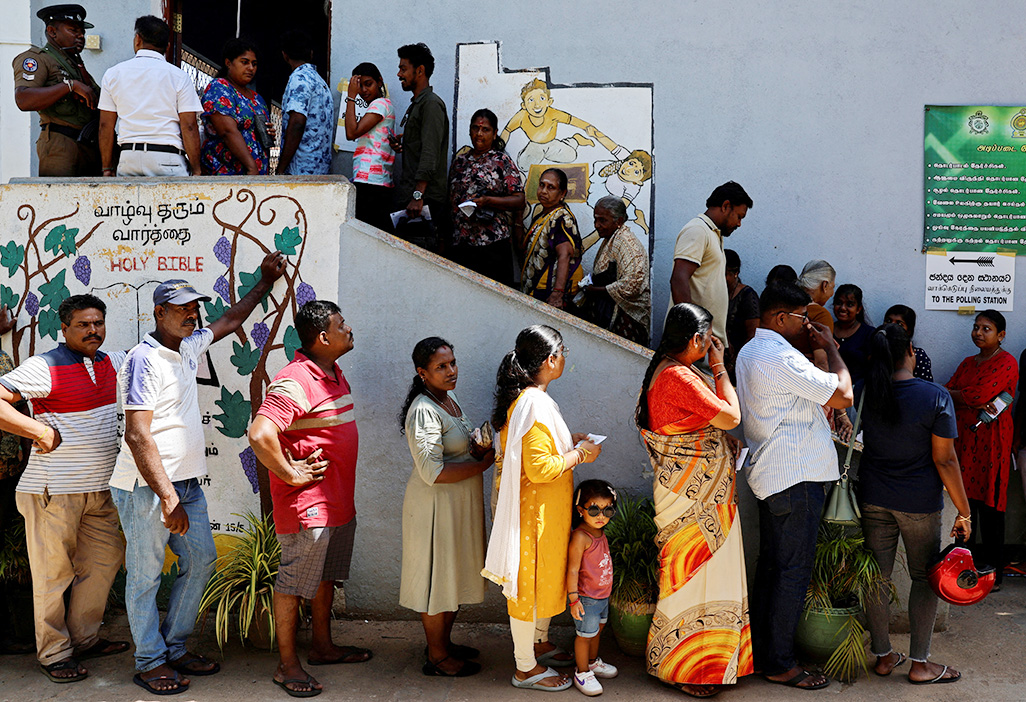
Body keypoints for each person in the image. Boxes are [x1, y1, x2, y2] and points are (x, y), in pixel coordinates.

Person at [108, 253, 286, 696]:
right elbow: (137, 434)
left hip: (183, 483)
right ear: (158, 313)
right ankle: (149, 661)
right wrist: (166, 495)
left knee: (202, 559)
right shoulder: (143, 360)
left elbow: (229, 319)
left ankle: (173, 645)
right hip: (147, 488)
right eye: (182, 309)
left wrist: (264, 282)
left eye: (194, 308)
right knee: (146, 574)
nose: (192, 315)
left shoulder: (186, 346)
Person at [0, 296, 129, 683]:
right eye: (83, 324)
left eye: (98, 323)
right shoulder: (45, 366)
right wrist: (38, 430)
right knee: (53, 575)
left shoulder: (112, 362)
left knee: (105, 561)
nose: (93, 330)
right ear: (65, 329)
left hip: (101, 490)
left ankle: (84, 639)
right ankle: (54, 653)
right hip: (52, 491)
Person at [248, 301, 370, 698]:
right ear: (322, 337)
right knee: (294, 582)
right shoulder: (295, 379)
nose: (349, 329)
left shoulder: (332, 371)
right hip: (309, 506)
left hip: (336, 502)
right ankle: (287, 666)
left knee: (325, 577)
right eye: (342, 324)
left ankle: (322, 647)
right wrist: (291, 473)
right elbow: (260, 433)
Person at [735, 283, 853, 691]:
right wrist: (833, 349)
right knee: (791, 572)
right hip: (795, 475)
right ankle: (781, 663)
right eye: (803, 318)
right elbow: (843, 394)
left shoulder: (751, 351)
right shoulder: (779, 354)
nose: (808, 325)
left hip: (775, 475)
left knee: (773, 569)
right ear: (781, 318)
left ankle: (768, 654)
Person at [636, 302, 751, 698]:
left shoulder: (669, 369)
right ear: (698, 339)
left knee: (701, 580)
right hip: (694, 499)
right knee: (693, 580)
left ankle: (706, 666)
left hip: (699, 495)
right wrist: (720, 366)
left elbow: (707, 421)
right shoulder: (679, 377)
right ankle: (689, 669)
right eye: (708, 341)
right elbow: (732, 417)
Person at [483, 325, 602, 691]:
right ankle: (525, 668)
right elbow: (540, 468)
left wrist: (572, 440)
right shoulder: (534, 402)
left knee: (539, 582)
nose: (564, 357)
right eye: (562, 351)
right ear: (551, 360)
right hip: (532, 517)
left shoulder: (532, 398)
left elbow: (544, 449)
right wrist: (581, 454)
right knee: (526, 588)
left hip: (540, 513)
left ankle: (537, 643)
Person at [858, 323, 970, 685]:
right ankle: (920, 663)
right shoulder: (934, 396)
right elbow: (946, 460)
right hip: (919, 503)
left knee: (877, 578)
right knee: (924, 578)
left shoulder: (864, 392)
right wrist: (964, 511)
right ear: (910, 352)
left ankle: (883, 655)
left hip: (873, 497)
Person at [397, 337, 494, 677]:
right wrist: (483, 465)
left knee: (452, 575)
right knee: (437, 579)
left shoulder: (448, 399)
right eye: (441, 367)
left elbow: (457, 445)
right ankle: (437, 656)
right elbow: (433, 471)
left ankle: (443, 642)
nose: (451, 371)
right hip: (435, 508)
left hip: (457, 506)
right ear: (422, 373)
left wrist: (477, 449)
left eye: (452, 363)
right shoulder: (423, 409)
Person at [945, 310, 1018, 591]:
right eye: (976, 327)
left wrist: (966, 398)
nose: (978, 332)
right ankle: (964, 571)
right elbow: (949, 391)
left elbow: (977, 395)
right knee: (966, 506)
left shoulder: (1007, 362)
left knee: (991, 508)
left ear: (1000, 335)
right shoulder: (967, 363)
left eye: (986, 329)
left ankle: (993, 575)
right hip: (965, 442)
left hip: (992, 446)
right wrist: (966, 398)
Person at [97, 16, 202, 177]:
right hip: (168, 158)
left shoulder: (113, 74)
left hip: (128, 157)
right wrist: (196, 169)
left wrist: (107, 168)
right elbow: (189, 126)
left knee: (130, 203)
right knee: (172, 203)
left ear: (137, 39)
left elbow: (105, 126)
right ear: (167, 46)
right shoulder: (179, 77)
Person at [13, 4, 101, 176]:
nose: (81, 36)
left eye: (82, 32)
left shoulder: (74, 64)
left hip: (88, 144)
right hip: (61, 144)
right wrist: (70, 86)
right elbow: (23, 99)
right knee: (60, 199)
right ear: (52, 32)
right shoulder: (38, 59)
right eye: (73, 30)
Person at [669, 181, 753, 348]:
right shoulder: (698, 230)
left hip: (708, 341)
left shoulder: (713, 234)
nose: (739, 224)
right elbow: (679, 279)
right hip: (696, 341)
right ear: (726, 206)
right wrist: (693, 331)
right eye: (739, 216)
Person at [448, 108, 525, 286]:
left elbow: (519, 200)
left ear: (495, 133)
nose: (479, 134)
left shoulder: (501, 161)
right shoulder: (460, 162)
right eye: (475, 128)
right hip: (462, 245)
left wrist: (489, 201)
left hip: (493, 246)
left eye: (485, 130)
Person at [391, 43, 449, 249]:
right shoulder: (418, 104)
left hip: (424, 202)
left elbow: (430, 152)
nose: (399, 74)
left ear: (420, 70)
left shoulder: (431, 104)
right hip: (414, 199)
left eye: (403, 68)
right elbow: (422, 143)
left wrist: (418, 196)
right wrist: (405, 142)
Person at [566, 480, 619, 697]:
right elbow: (572, 570)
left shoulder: (599, 532)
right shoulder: (581, 536)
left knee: (597, 630)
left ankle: (592, 662)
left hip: (602, 597)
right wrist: (573, 599)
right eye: (595, 509)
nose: (601, 516)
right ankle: (582, 671)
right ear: (581, 510)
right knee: (584, 636)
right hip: (586, 598)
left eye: (608, 510)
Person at [580, 196, 651, 345]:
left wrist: (595, 290)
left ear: (618, 221)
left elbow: (632, 284)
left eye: (602, 220)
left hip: (627, 317)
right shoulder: (611, 238)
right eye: (595, 220)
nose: (597, 225)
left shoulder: (627, 243)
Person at [200, 38, 272, 175]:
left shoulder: (257, 98)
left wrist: (268, 133)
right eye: (244, 62)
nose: (251, 68)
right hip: (227, 174)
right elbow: (227, 131)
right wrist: (251, 168)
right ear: (228, 63)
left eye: (254, 64)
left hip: (257, 175)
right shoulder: (219, 88)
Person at [521, 168, 583, 309]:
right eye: (542, 185)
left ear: (562, 194)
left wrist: (557, 293)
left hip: (548, 292)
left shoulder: (561, 218)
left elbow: (565, 254)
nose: (543, 191)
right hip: (536, 289)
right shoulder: (543, 215)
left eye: (551, 187)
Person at [344, 62, 394, 231]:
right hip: (371, 180)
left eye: (368, 84)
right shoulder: (377, 106)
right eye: (360, 86)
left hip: (372, 181)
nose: (364, 90)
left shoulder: (381, 104)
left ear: (379, 82)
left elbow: (351, 132)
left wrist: (351, 97)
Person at [275, 30, 333, 176]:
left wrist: (281, 168)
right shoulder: (321, 83)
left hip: (300, 170)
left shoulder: (299, 79)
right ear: (311, 53)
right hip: (320, 169)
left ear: (284, 55)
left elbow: (297, 122)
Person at [795, 260, 836, 370]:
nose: (832, 294)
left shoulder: (787, 308)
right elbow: (822, 362)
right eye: (832, 287)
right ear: (825, 285)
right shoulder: (820, 315)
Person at [832, 283, 875, 386]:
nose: (843, 308)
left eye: (850, 304)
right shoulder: (827, 330)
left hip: (858, 394)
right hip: (829, 391)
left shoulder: (869, 334)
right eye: (839, 303)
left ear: (858, 309)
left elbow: (874, 369)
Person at [724, 248, 759, 370]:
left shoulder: (747, 295)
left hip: (738, 361)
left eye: (724, 273)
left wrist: (735, 362)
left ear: (736, 273)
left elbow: (753, 335)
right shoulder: (716, 291)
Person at [883, 305, 932, 381]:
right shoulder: (877, 350)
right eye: (889, 321)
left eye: (899, 324)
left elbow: (927, 387)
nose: (892, 326)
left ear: (909, 331)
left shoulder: (918, 356)